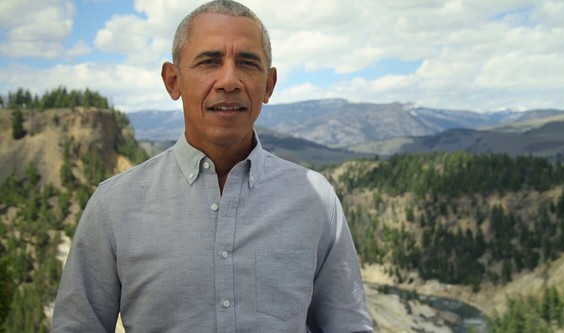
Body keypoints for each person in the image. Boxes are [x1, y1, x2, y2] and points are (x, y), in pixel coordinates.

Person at [51, 1, 373, 332]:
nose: (229, 80)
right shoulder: (115, 205)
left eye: (247, 63)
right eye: (209, 62)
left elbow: (347, 324)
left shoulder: (316, 200)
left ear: (269, 85)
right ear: (173, 81)